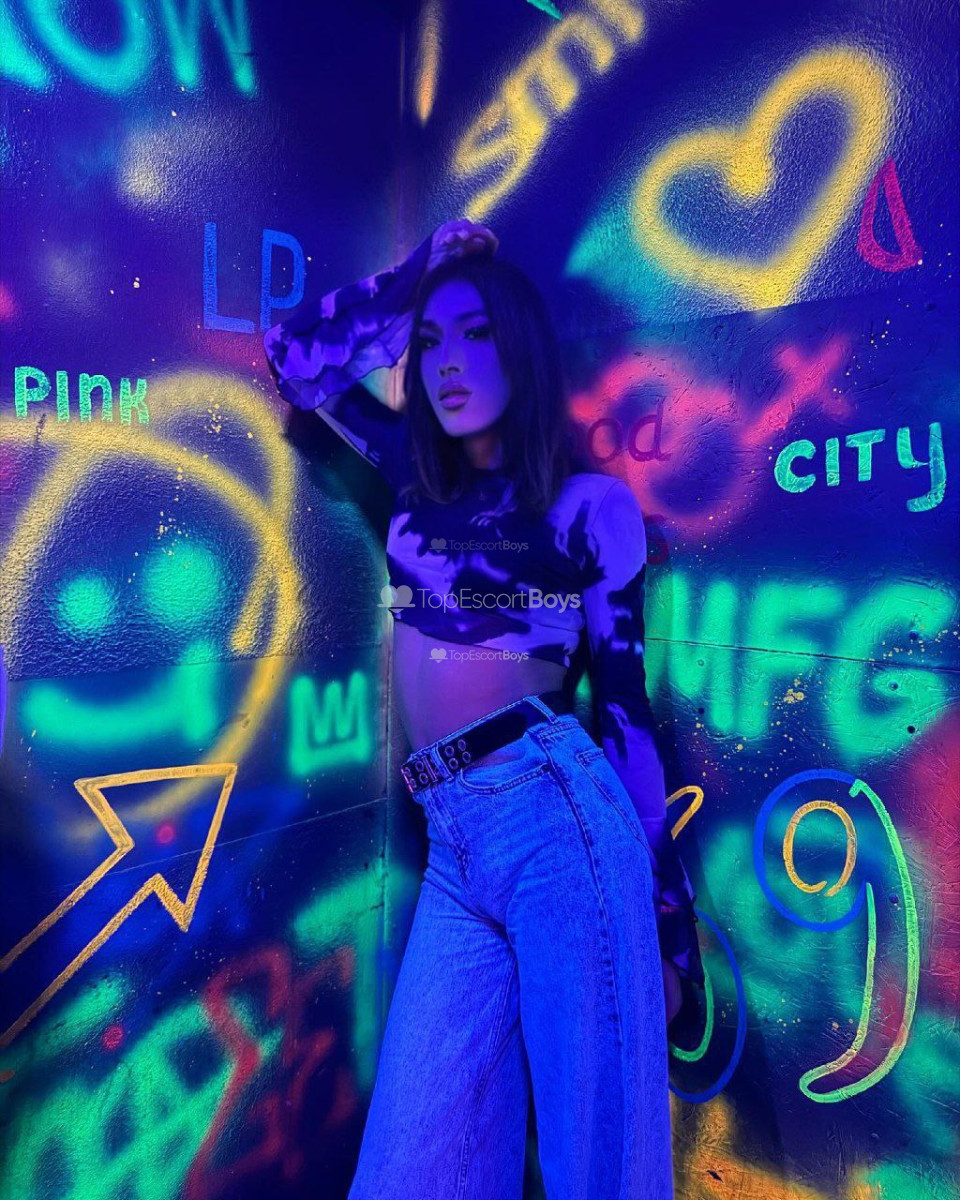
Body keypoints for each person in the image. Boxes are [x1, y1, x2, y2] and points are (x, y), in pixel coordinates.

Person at [263, 218, 705, 1199]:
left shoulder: (589, 510)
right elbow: (295, 358)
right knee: (414, 1165)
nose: (448, 364)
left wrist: (668, 928)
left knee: (599, 1167)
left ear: (525, 351)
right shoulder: (411, 476)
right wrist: (419, 273)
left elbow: (626, 715)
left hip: (556, 819)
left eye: (475, 335)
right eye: (429, 344)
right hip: (453, 839)